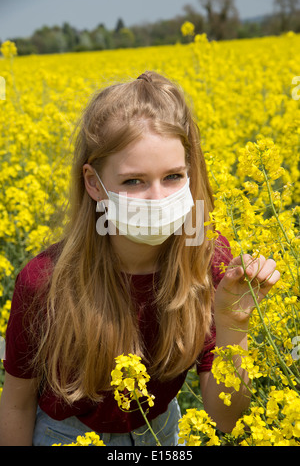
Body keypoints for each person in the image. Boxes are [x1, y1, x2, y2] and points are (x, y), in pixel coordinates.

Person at [0, 71, 280, 446]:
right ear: (94, 183)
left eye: (173, 177)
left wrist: (233, 324)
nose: (158, 198)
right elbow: (16, 405)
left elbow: (227, 419)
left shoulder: (209, 262)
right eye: (134, 181)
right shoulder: (44, 282)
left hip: (161, 433)